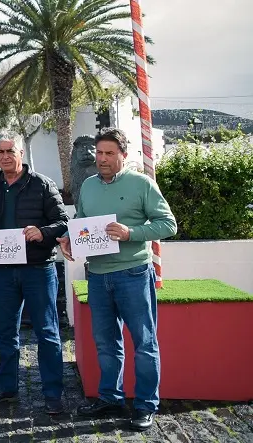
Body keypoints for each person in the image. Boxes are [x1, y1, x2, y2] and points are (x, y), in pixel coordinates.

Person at [58, 128, 176, 431]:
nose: (102, 159)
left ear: (123, 155)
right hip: (97, 276)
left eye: (109, 153)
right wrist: (70, 238)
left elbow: (168, 224)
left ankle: (146, 406)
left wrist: (131, 233)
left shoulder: (141, 184)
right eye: (99, 153)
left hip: (133, 274)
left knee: (144, 343)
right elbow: (82, 221)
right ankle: (110, 397)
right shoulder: (88, 186)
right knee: (106, 344)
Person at [0, 133, 69, 415]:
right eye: (0, 151)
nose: (5, 156)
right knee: (5, 333)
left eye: (10, 151)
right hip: (3, 273)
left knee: (48, 332)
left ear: (21, 153)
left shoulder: (42, 185)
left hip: (38, 270)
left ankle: (53, 393)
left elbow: (62, 222)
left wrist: (42, 232)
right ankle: (7, 387)